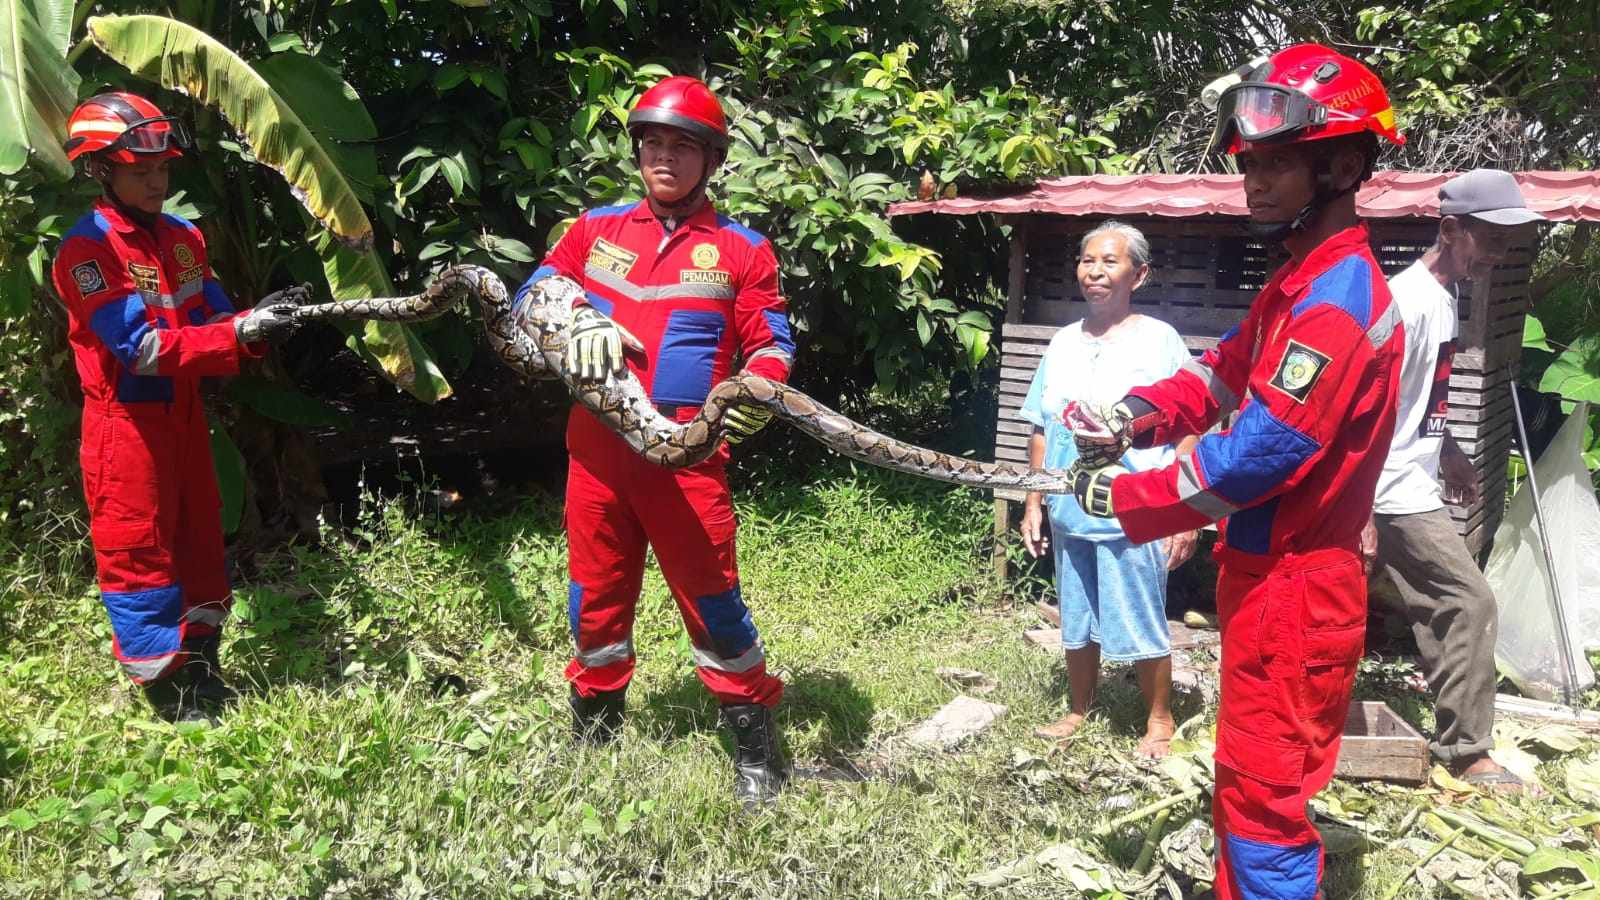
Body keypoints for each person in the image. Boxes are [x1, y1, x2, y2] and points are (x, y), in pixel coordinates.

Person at [1064, 45, 1407, 900]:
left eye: (1277, 163)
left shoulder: (1338, 300)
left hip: (1298, 584)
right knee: (1248, 779)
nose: (1252, 182)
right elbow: (1220, 373)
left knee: (1263, 799)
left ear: (1341, 164)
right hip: (1266, 580)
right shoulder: (1298, 282)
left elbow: (1262, 453)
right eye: (1249, 164)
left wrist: (1132, 493)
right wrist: (1133, 414)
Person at [512, 75, 796, 808]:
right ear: (637, 150)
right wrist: (578, 323)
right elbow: (532, 297)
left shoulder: (742, 249)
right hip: (596, 454)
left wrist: (760, 390)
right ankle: (596, 724)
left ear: (711, 158)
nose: (664, 158)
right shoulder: (594, 229)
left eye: (683, 146)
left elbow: (771, 343)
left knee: (714, 603)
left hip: (688, 460)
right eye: (653, 143)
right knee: (594, 598)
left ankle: (754, 739)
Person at [50, 93, 305, 724]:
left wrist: (260, 319)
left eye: (162, 169)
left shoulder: (185, 237)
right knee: (138, 549)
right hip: (125, 425)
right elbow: (139, 348)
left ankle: (201, 663)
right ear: (100, 170)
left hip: (185, 416)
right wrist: (236, 335)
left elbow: (213, 319)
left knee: (198, 536)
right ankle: (163, 686)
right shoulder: (87, 253)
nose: (157, 182)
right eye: (141, 171)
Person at [1361, 169, 1544, 792]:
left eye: (1506, 242)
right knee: (1468, 601)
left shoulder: (1444, 295)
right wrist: (1359, 509)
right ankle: (1468, 753)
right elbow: (1366, 410)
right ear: (1450, 229)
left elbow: (1419, 401)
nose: (1498, 254)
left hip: (1410, 479)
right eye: (1489, 239)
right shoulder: (1406, 302)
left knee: (1438, 602)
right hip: (1385, 490)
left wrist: (1452, 453)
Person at [1017, 221, 1198, 759]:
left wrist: (1187, 511)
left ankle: (1160, 720)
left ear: (1138, 274)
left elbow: (1193, 423)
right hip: (1070, 508)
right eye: (1087, 260)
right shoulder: (1062, 342)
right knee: (1077, 614)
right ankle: (1079, 709)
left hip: (1136, 509)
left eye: (1110, 261)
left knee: (1140, 614)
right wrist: (1034, 499)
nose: (1095, 271)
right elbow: (1040, 426)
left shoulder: (1160, 340)